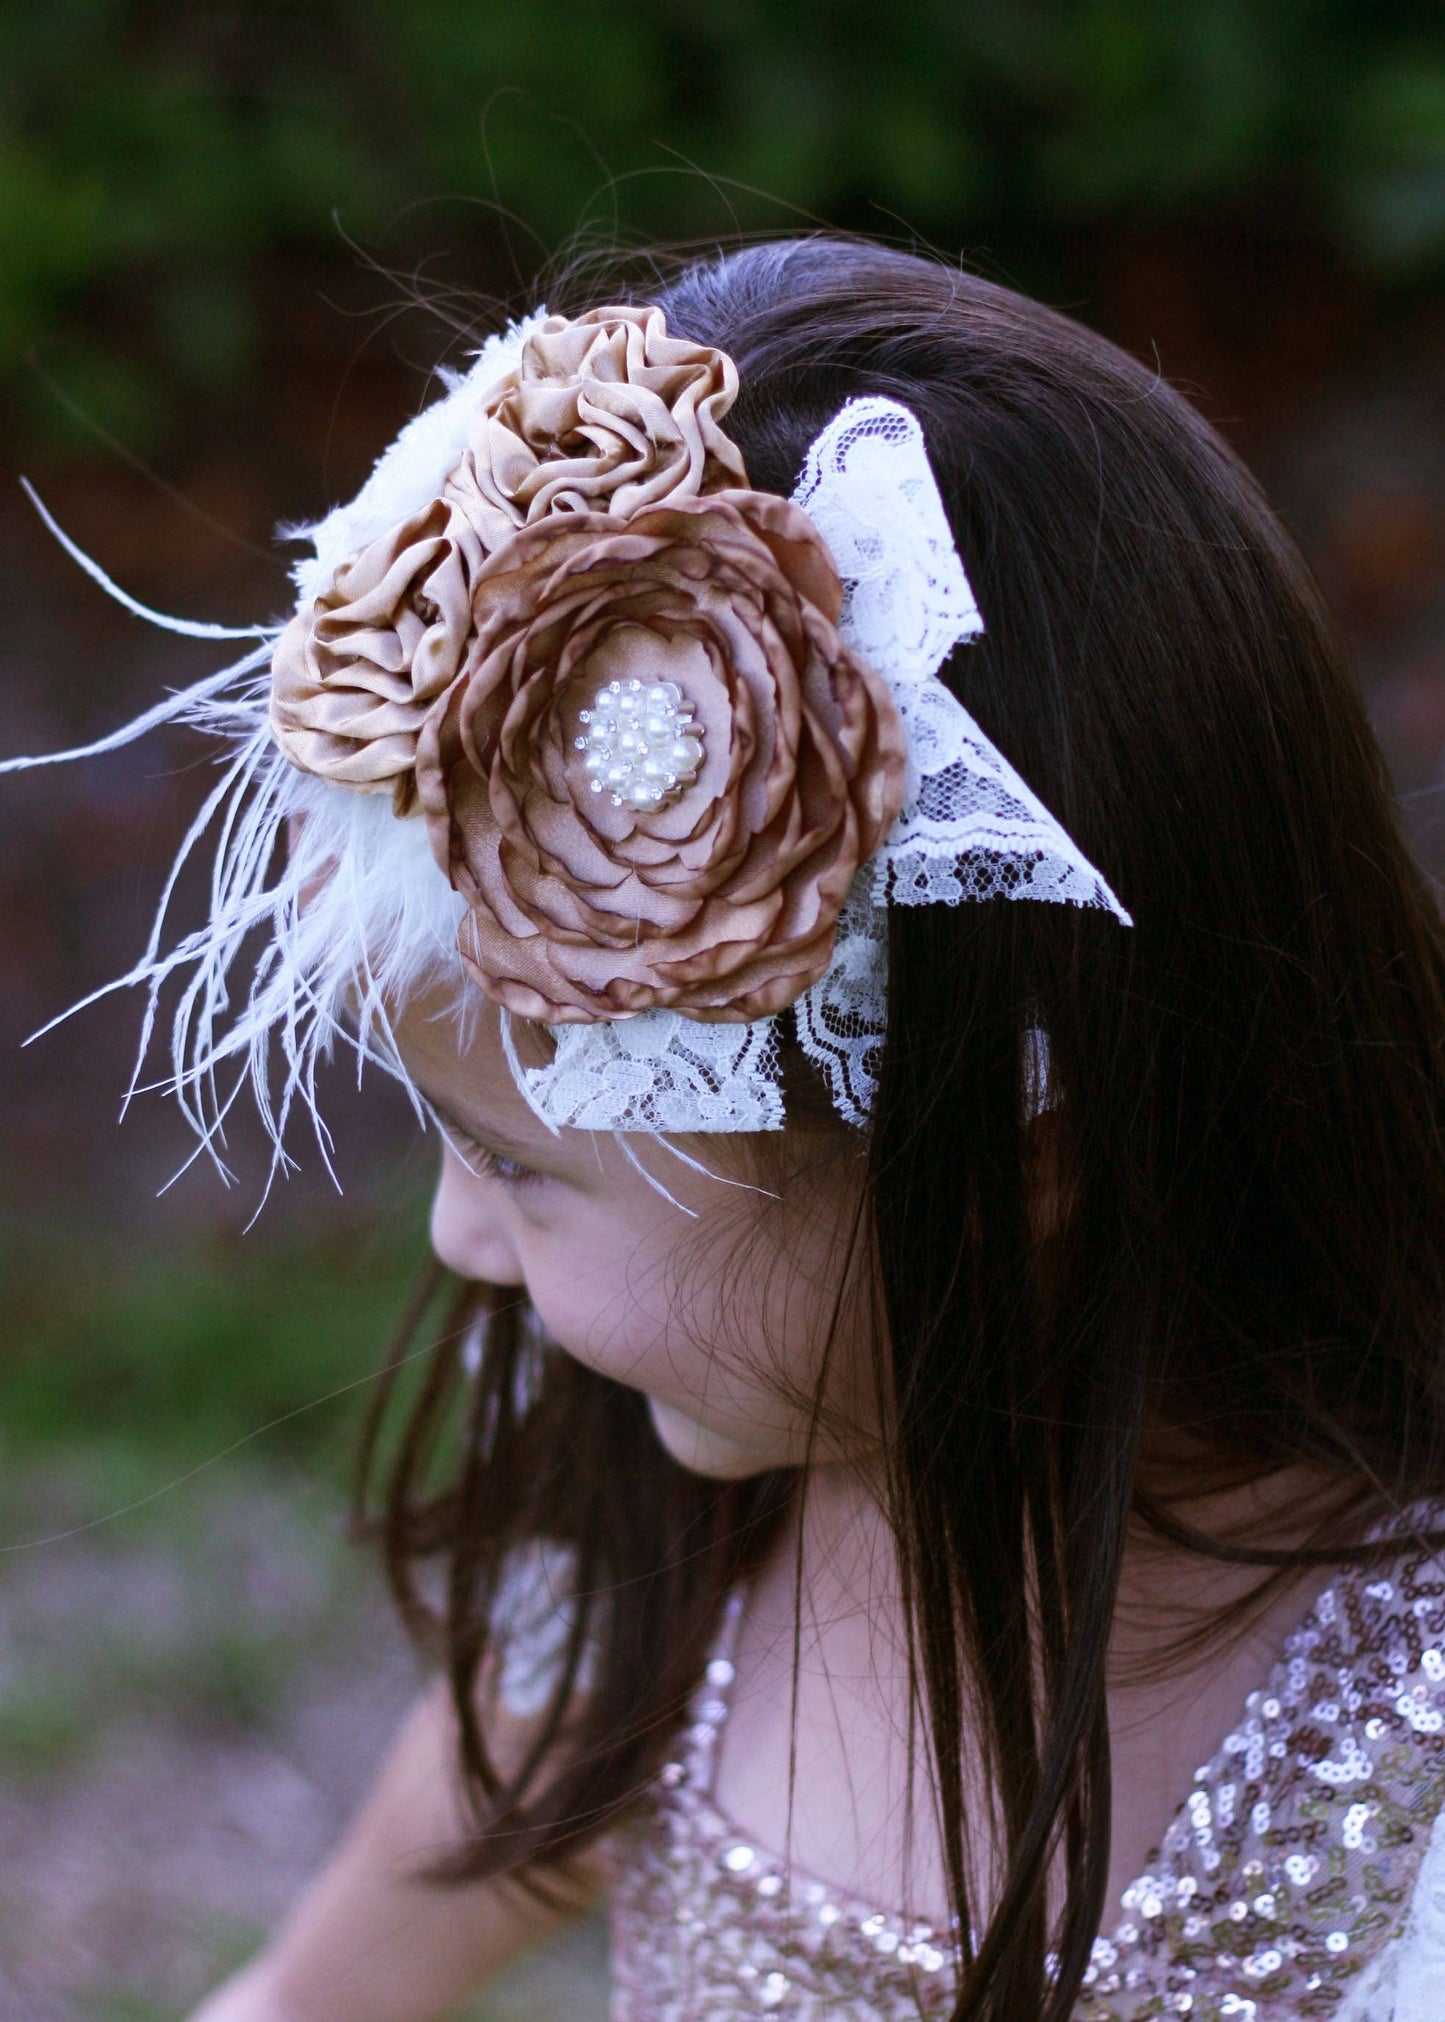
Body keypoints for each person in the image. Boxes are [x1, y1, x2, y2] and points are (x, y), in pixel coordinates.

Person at [11, 237, 1445, 2022]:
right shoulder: (667, 1522)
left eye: (521, 1161)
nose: (458, 1239)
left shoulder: (1403, 1773)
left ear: (1017, 1144)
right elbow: (319, 1990)